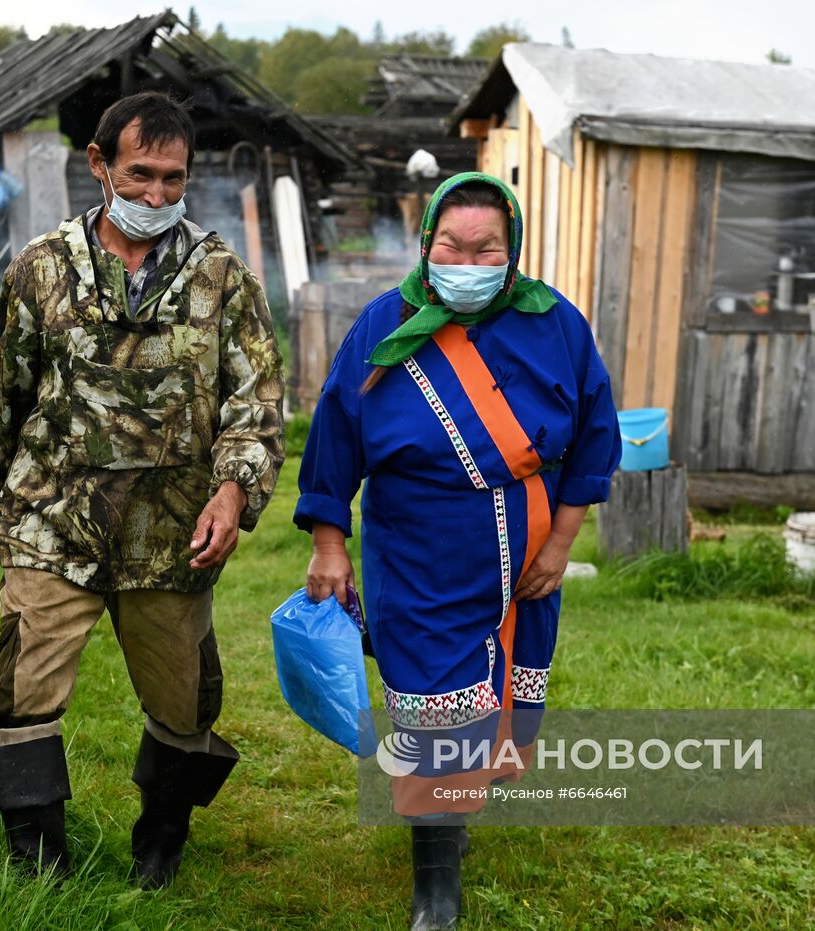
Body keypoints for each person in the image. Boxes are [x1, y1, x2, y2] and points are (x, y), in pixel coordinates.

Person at [0, 91, 284, 885]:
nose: (157, 196)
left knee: (186, 706)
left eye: (173, 179)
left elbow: (257, 404)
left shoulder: (222, 277)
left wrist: (232, 493)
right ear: (98, 165)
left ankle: (159, 844)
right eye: (140, 175)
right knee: (21, 689)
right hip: (50, 521)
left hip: (170, 537)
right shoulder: (42, 269)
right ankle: (37, 862)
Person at [294, 172, 621, 930]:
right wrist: (330, 543)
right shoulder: (383, 325)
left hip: (529, 555)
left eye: (486, 249)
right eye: (452, 245)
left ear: (512, 253)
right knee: (433, 712)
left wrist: (561, 545)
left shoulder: (558, 325)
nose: (467, 261)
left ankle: (454, 817)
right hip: (419, 554)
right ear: (426, 244)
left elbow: (596, 435)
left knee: (502, 708)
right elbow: (335, 437)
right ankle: (435, 889)